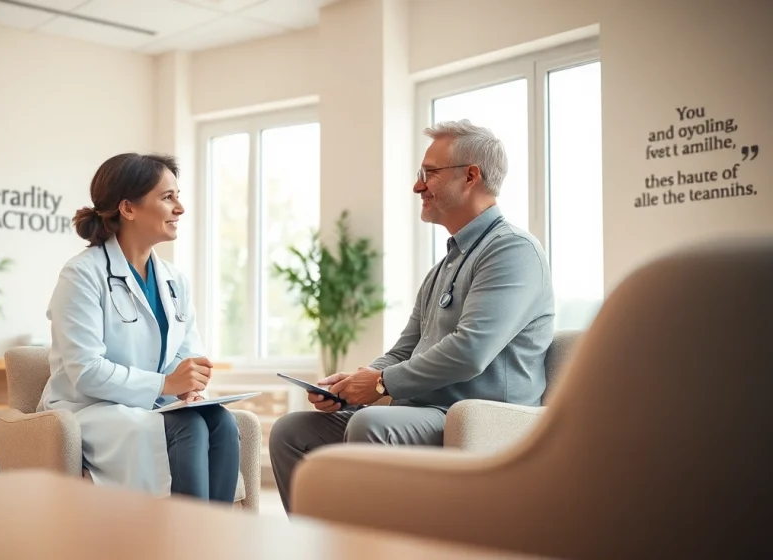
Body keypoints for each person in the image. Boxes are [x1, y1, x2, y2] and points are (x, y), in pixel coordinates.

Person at [269, 119, 555, 512]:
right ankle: (328, 555)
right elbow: (405, 349)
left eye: (429, 173)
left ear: (471, 176)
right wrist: (354, 383)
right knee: (292, 431)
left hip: (481, 420)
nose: (418, 186)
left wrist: (382, 383)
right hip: (425, 413)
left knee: (371, 425)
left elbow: (471, 350)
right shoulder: (444, 267)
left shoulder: (512, 251)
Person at [37, 152, 240, 504]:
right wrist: (166, 384)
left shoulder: (175, 280)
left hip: (152, 406)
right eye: (168, 197)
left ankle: (213, 542)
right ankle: (182, 544)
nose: (180, 208)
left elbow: (187, 349)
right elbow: (86, 371)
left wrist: (190, 386)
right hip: (91, 409)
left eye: (178, 195)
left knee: (220, 421)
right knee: (187, 427)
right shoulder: (82, 274)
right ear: (128, 208)